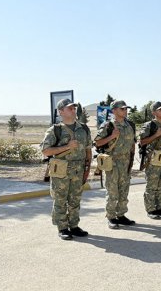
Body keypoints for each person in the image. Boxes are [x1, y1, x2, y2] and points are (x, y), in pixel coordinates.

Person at [41, 99, 92, 240]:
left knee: (75, 199)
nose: (73, 110)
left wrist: (88, 166)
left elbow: (88, 149)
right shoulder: (55, 130)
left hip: (78, 169)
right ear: (61, 111)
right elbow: (46, 151)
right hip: (61, 170)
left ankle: (74, 226)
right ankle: (62, 227)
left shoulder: (84, 129)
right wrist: (67, 147)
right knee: (60, 199)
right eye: (69, 108)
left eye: (74, 108)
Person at [94, 100, 136, 229]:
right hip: (112, 162)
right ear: (114, 111)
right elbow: (97, 143)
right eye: (122, 109)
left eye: (125, 108)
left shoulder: (130, 125)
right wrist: (112, 136)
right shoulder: (108, 126)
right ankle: (111, 217)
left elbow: (133, 143)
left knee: (124, 190)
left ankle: (121, 215)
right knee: (113, 191)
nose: (125, 110)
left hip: (126, 161)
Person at [139, 101, 161, 219]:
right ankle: (150, 209)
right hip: (153, 159)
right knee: (152, 185)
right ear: (154, 112)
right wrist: (156, 135)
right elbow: (142, 142)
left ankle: (159, 207)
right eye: (160, 109)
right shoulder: (150, 125)